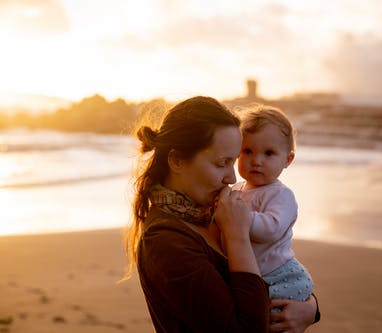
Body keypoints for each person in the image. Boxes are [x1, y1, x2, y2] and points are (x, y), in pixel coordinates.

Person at [124, 96, 319, 333]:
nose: (232, 178)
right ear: (176, 160)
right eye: (221, 163)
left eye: (233, 161)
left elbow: (271, 270)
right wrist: (237, 235)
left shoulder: (206, 212)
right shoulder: (166, 241)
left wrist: (310, 308)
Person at [233, 104, 315, 307]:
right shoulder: (236, 189)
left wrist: (240, 216)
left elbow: (271, 228)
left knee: (276, 310)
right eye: (247, 151)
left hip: (278, 272)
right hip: (251, 270)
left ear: (288, 160)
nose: (256, 161)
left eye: (268, 153)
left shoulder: (281, 195)